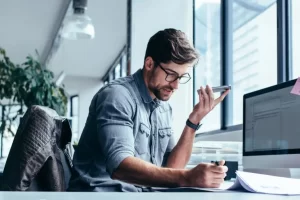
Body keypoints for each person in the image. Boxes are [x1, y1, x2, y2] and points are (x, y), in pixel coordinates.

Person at [67, 28, 230, 192]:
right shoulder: (117, 96)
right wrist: (188, 177)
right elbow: (120, 167)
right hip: (100, 194)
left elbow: (171, 169)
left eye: (180, 77)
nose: (175, 86)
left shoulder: (164, 108)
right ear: (149, 64)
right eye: (171, 75)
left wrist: (194, 121)